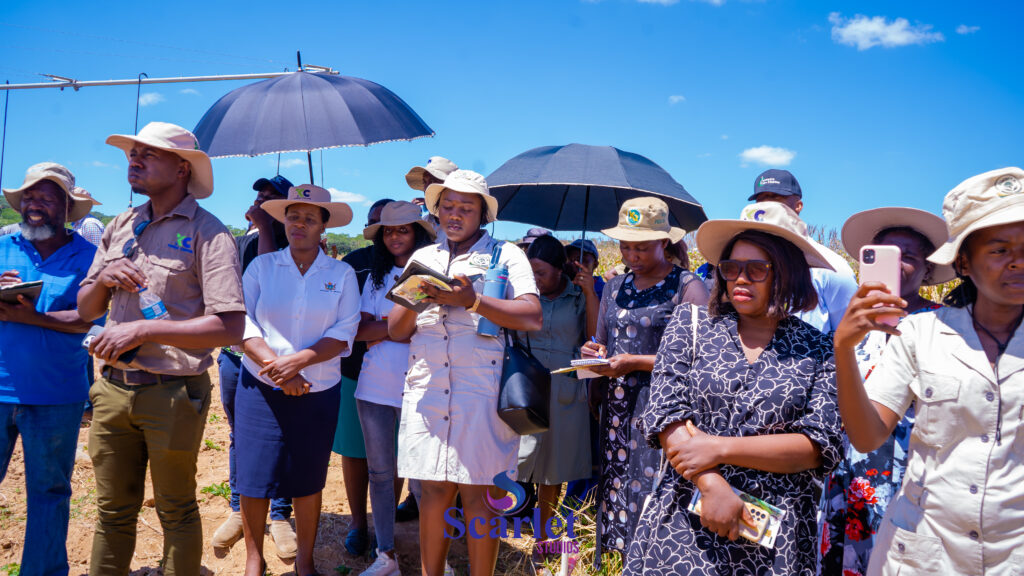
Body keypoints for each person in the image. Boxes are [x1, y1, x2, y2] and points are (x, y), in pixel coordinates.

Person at [624, 201, 843, 575]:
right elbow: (665, 414)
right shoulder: (692, 325)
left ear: (788, 273)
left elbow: (819, 445)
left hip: (776, 536)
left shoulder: (819, 348)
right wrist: (712, 486)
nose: (740, 279)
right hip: (686, 521)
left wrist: (718, 447)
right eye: (731, 268)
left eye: (757, 269)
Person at [835, 167, 1024, 575]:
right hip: (923, 552)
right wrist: (843, 350)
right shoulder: (922, 333)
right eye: (999, 249)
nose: (1017, 262)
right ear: (964, 263)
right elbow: (867, 434)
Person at [77, 121, 246, 575]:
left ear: (181, 169)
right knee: (112, 512)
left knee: (175, 510)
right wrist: (104, 277)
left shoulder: (209, 234)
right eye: (133, 153)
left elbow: (230, 326)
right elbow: (85, 306)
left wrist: (146, 332)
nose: (134, 159)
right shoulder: (121, 224)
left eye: (148, 154)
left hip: (171, 392)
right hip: (112, 390)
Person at [389, 170, 542, 576]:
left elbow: (531, 315)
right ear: (437, 211)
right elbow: (395, 330)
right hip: (427, 389)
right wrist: (418, 296)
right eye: (449, 207)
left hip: (481, 391)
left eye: (466, 208)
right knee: (433, 492)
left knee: (479, 494)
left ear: (483, 215)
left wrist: (473, 302)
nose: (455, 215)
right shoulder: (423, 259)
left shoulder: (506, 255)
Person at [818, 207, 952, 575]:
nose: (895, 266)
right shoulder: (849, 321)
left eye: (907, 257)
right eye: (884, 255)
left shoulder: (944, 325)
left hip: (909, 479)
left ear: (928, 270)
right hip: (843, 475)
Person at [236, 183, 360, 576]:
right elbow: (243, 321)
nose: (299, 224)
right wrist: (278, 367)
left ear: (324, 226)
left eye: (310, 218)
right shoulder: (262, 266)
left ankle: (304, 562)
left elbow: (346, 329)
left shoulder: (341, 274)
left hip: (318, 389)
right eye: (293, 216)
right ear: (283, 221)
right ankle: (254, 561)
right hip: (260, 387)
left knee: (308, 477)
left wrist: (299, 362)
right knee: (254, 479)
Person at [579, 197, 710, 561]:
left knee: (656, 487)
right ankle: (620, 563)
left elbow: (698, 357)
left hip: (664, 410)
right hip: (617, 408)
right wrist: (593, 353)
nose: (631, 254)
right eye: (625, 246)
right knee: (617, 485)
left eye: (641, 247)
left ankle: (655, 563)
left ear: (663, 243)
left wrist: (636, 362)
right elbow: (601, 340)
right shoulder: (617, 286)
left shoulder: (687, 287)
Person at [0, 163, 98, 576]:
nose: (34, 204)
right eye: (30, 197)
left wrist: (31, 317)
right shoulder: (2, 246)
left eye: (47, 197)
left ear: (66, 208)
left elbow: (90, 319)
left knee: (49, 494)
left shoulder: (89, 257)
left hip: (57, 395)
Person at [211, 174, 297, 557]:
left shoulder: (301, 249)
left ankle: (279, 515)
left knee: (284, 435)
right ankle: (238, 509)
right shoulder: (239, 243)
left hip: (285, 360)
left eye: (271, 197)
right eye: (259, 196)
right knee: (239, 435)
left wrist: (265, 227)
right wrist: (258, 229)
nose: (262, 201)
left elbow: (270, 284)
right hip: (237, 356)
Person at [354, 201, 436, 576]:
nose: (395, 237)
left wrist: (386, 328)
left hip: (421, 389)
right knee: (381, 475)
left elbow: (429, 334)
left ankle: (435, 559)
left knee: (422, 478)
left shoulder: (431, 276)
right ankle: (386, 556)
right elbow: (359, 331)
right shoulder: (375, 277)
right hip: (374, 390)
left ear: (417, 233)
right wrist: (400, 327)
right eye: (388, 231)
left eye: (403, 229)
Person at [516, 235, 598, 536]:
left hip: (565, 391)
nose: (535, 280)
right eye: (531, 273)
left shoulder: (578, 297)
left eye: (541, 273)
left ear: (560, 269)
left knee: (552, 474)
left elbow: (594, 342)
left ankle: (543, 539)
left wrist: (590, 293)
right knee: (515, 462)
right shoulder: (523, 295)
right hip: (525, 387)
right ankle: (499, 532)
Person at [333, 196, 394, 554]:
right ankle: (358, 523)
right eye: (375, 225)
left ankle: (384, 527)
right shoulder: (352, 264)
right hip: (353, 371)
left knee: (392, 457)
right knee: (356, 454)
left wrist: (380, 328)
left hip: (401, 375)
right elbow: (350, 324)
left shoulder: (416, 265)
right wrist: (395, 327)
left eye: (388, 226)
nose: (381, 233)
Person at [750, 169, 857, 332]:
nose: (767, 207)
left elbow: (853, 337)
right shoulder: (746, 265)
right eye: (761, 200)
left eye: (775, 199)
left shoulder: (832, 268)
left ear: (798, 205)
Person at [405, 156, 459, 238]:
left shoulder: (463, 222)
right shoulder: (423, 223)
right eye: (425, 181)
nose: (426, 187)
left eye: (433, 181)